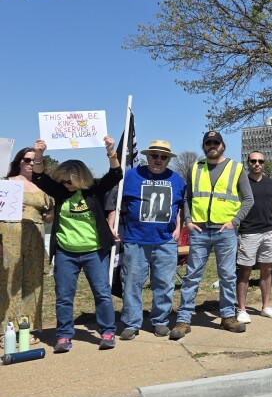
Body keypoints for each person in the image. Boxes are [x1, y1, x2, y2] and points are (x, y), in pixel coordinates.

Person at [31, 136, 122, 353]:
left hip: (94, 252)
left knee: (101, 292)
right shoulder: (61, 192)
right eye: (62, 181)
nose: (65, 185)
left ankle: (108, 331)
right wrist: (39, 155)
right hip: (66, 253)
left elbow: (116, 174)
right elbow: (39, 177)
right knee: (64, 296)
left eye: (69, 181)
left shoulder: (93, 190)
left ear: (80, 178)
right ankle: (63, 336)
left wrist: (111, 152)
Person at [172, 131, 254, 340]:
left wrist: (234, 222)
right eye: (208, 143)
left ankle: (227, 316)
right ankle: (183, 320)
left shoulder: (236, 168)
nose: (212, 146)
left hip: (224, 231)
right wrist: (188, 221)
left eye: (215, 143)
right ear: (204, 146)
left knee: (227, 276)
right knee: (191, 276)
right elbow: (187, 198)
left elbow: (248, 199)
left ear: (222, 146)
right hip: (199, 231)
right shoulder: (195, 168)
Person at [114, 140, 186, 340]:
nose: (158, 160)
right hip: (136, 240)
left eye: (163, 157)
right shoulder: (131, 176)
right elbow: (118, 203)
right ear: (147, 156)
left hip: (165, 241)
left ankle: (160, 321)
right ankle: (131, 322)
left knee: (164, 283)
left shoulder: (176, 179)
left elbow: (180, 206)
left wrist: (179, 227)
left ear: (168, 160)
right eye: (154, 156)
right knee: (132, 283)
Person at [0, 147, 53, 345]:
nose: (30, 163)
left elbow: (49, 216)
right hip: (9, 235)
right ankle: (7, 329)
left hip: (36, 238)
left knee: (32, 283)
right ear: (18, 162)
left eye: (34, 160)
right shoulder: (6, 184)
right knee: (8, 284)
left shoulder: (44, 186)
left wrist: (48, 214)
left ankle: (26, 328)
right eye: (26, 160)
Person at [235, 151, 272, 324]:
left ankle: (265, 306)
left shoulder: (270, 183)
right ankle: (241, 309)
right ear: (248, 162)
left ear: (264, 163)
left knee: (267, 269)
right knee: (245, 271)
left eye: (260, 161)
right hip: (247, 232)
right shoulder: (241, 183)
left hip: (268, 232)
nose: (257, 164)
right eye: (253, 161)